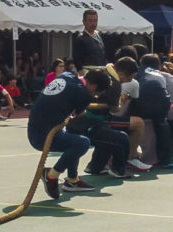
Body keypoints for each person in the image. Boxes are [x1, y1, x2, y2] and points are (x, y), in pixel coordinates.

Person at [30, 68, 112, 200]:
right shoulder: (84, 94)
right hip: (44, 137)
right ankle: (51, 175)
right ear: (94, 86)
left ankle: (72, 180)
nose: (95, 94)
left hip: (35, 129)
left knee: (74, 138)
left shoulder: (66, 75)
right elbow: (79, 114)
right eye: (97, 92)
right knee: (83, 143)